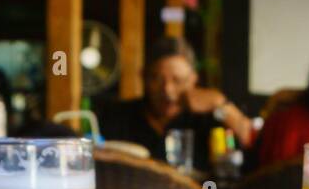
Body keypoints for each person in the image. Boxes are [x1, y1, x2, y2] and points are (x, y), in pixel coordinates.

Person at [96, 37, 253, 171]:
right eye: (156, 79)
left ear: (193, 79)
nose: (167, 90)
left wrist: (220, 104)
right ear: (143, 76)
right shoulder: (117, 116)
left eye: (178, 80)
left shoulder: (208, 120)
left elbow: (247, 138)